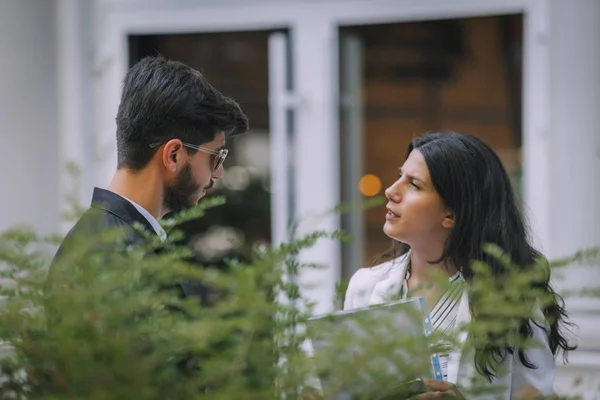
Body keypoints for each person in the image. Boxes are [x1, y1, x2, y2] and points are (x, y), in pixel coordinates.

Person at [343, 132, 575, 399]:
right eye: (399, 176)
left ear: (451, 214)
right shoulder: (364, 287)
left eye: (414, 185)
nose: (391, 191)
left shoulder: (513, 299)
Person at [46, 55, 248, 312]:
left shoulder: (109, 238)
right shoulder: (118, 256)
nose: (218, 174)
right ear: (173, 155)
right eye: (215, 157)